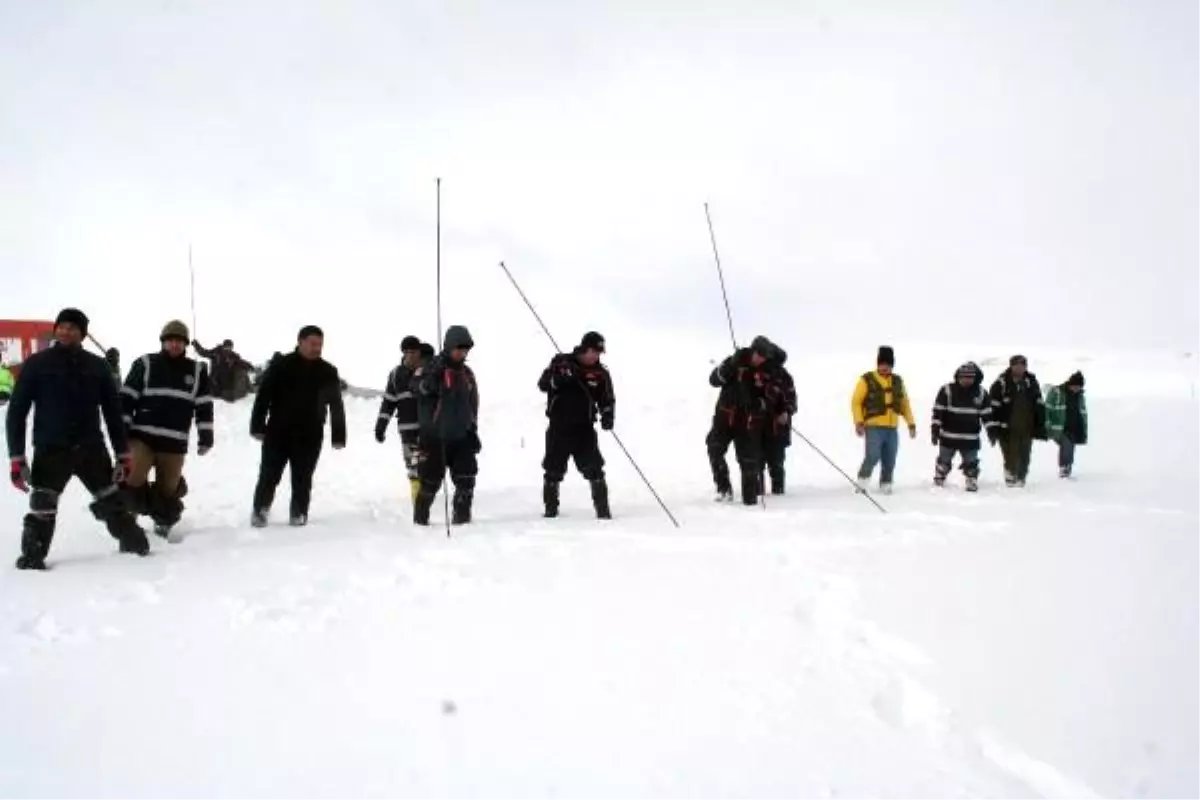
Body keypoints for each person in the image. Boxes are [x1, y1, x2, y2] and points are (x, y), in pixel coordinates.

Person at [6, 308, 149, 569]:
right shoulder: (37, 364)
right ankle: (33, 559)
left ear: (82, 333)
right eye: (62, 326)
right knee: (42, 508)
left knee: (112, 502)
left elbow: (113, 414)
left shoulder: (98, 366)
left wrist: (123, 454)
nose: (66, 331)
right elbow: (16, 412)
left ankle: (135, 547)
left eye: (73, 327)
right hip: (51, 450)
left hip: (91, 449)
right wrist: (17, 457)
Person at [119, 320, 214, 541]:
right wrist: (121, 430)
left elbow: (204, 405)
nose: (174, 345)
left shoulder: (197, 371)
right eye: (170, 340)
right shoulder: (145, 363)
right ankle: (129, 520)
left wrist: (205, 435)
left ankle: (163, 522)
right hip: (142, 437)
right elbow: (126, 399)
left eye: (179, 341)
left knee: (168, 489)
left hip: (174, 442)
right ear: (163, 342)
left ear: (185, 344)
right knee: (131, 477)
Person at [249, 325, 346, 526]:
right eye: (312, 343)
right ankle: (260, 510)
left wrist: (338, 435)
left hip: (310, 434)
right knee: (269, 474)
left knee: (303, 477)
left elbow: (336, 405)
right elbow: (263, 397)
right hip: (278, 431)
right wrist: (257, 426)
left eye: (320, 344)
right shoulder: (281, 365)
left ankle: (299, 513)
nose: (316, 348)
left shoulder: (327, 371)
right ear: (300, 342)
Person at [537, 331, 615, 519]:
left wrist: (608, 415)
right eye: (594, 352)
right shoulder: (561, 362)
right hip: (559, 427)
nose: (595, 356)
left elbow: (608, 399)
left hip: (584, 430)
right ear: (584, 348)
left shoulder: (601, 373)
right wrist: (559, 379)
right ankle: (550, 510)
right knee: (553, 470)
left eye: (599, 353)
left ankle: (603, 511)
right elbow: (543, 384)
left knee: (594, 469)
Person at [413, 325, 480, 526]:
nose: (462, 353)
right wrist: (430, 382)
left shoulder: (467, 373)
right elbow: (416, 386)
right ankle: (420, 520)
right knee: (430, 482)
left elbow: (473, 403)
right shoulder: (431, 367)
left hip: (462, 436)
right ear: (449, 346)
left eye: (466, 349)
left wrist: (472, 429)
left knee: (466, 480)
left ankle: (462, 520)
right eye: (459, 348)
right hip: (434, 437)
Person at [707, 335, 784, 505]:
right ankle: (724, 489)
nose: (760, 359)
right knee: (714, 449)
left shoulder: (767, 371)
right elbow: (713, 380)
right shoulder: (735, 361)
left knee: (749, 461)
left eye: (764, 357)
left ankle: (750, 500)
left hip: (747, 422)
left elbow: (772, 399)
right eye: (758, 354)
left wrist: (758, 404)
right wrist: (726, 368)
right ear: (753, 351)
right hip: (724, 417)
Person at [851, 346, 917, 495]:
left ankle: (886, 483)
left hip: (892, 427)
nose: (884, 367)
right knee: (872, 455)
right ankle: (862, 481)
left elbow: (904, 403)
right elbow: (856, 401)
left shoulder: (898, 381)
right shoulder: (866, 379)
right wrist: (859, 422)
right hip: (873, 426)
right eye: (882, 364)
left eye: (888, 364)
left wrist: (911, 423)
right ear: (877, 364)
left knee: (890, 457)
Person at [929, 362, 993, 491]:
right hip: (948, 436)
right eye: (964, 377)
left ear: (975, 378)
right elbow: (938, 411)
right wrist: (935, 429)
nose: (967, 380)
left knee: (971, 463)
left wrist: (991, 430)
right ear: (958, 377)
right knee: (944, 461)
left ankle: (971, 480)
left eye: (970, 377)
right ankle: (939, 478)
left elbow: (987, 414)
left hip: (971, 438)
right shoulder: (947, 390)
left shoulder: (981, 393)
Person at [375, 335, 425, 502]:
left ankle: (428, 495)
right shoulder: (396, 375)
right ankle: (417, 500)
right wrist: (381, 425)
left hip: (430, 428)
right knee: (414, 465)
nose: (411, 355)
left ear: (420, 352)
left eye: (414, 352)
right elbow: (389, 402)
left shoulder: (429, 370)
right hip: (408, 430)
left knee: (430, 466)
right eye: (407, 352)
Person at [988, 354, 1047, 487]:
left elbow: (1039, 403)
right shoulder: (1001, 383)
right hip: (1007, 428)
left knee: (1025, 455)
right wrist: (994, 428)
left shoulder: (1031, 382)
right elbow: (993, 407)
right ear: (1011, 366)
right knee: (1010, 455)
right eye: (1017, 365)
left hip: (1027, 426)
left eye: (1022, 365)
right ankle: (1010, 475)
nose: (1020, 368)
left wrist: (1040, 424)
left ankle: (1021, 478)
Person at [760, 344, 796, 495]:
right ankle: (757, 491)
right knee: (756, 462)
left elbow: (792, 401)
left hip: (777, 427)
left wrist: (786, 412)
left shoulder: (785, 377)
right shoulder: (756, 373)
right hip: (757, 425)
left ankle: (779, 491)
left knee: (776, 463)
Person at [1045, 371, 1087, 478]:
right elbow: (1046, 409)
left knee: (1071, 447)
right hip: (1059, 427)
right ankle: (1063, 468)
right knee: (1066, 445)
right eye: (1075, 386)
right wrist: (1047, 424)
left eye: (1079, 387)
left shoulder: (1080, 396)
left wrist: (1083, 428)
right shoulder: (1056, 392)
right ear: (1070, 384)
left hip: (1074, 426)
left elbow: (1082, 412)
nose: (1076, 389)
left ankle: (1068, 467)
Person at [193, 338, 255, 402]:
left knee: (240, 368)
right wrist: (196, 345)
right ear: (223, 347)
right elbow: (204, 353)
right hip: (214, 383)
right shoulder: (216, 353)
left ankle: (245, 390)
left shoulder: (233, 356)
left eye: (229, 348)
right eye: (226, 348)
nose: (227, 350)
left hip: (226, 384)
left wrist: (250, 366)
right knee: (203, 366)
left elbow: (241, 362)